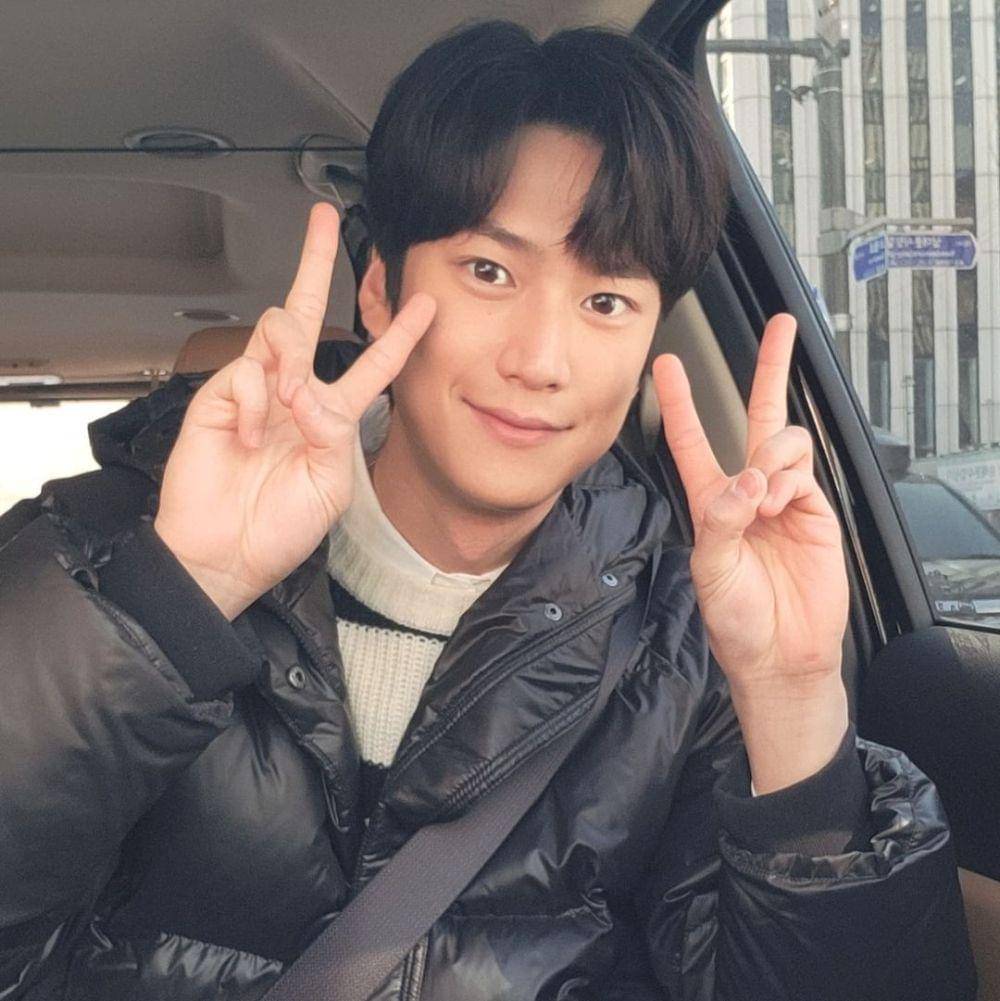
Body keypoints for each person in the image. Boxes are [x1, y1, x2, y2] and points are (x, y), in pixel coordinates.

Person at [0, 20, 976, 1001]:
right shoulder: (94, 564)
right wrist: (182, 593)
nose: (540, 360)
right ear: (380, 292)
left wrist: (795, 700)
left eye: (605, 302)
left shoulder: (686, 657)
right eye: (489, 271)